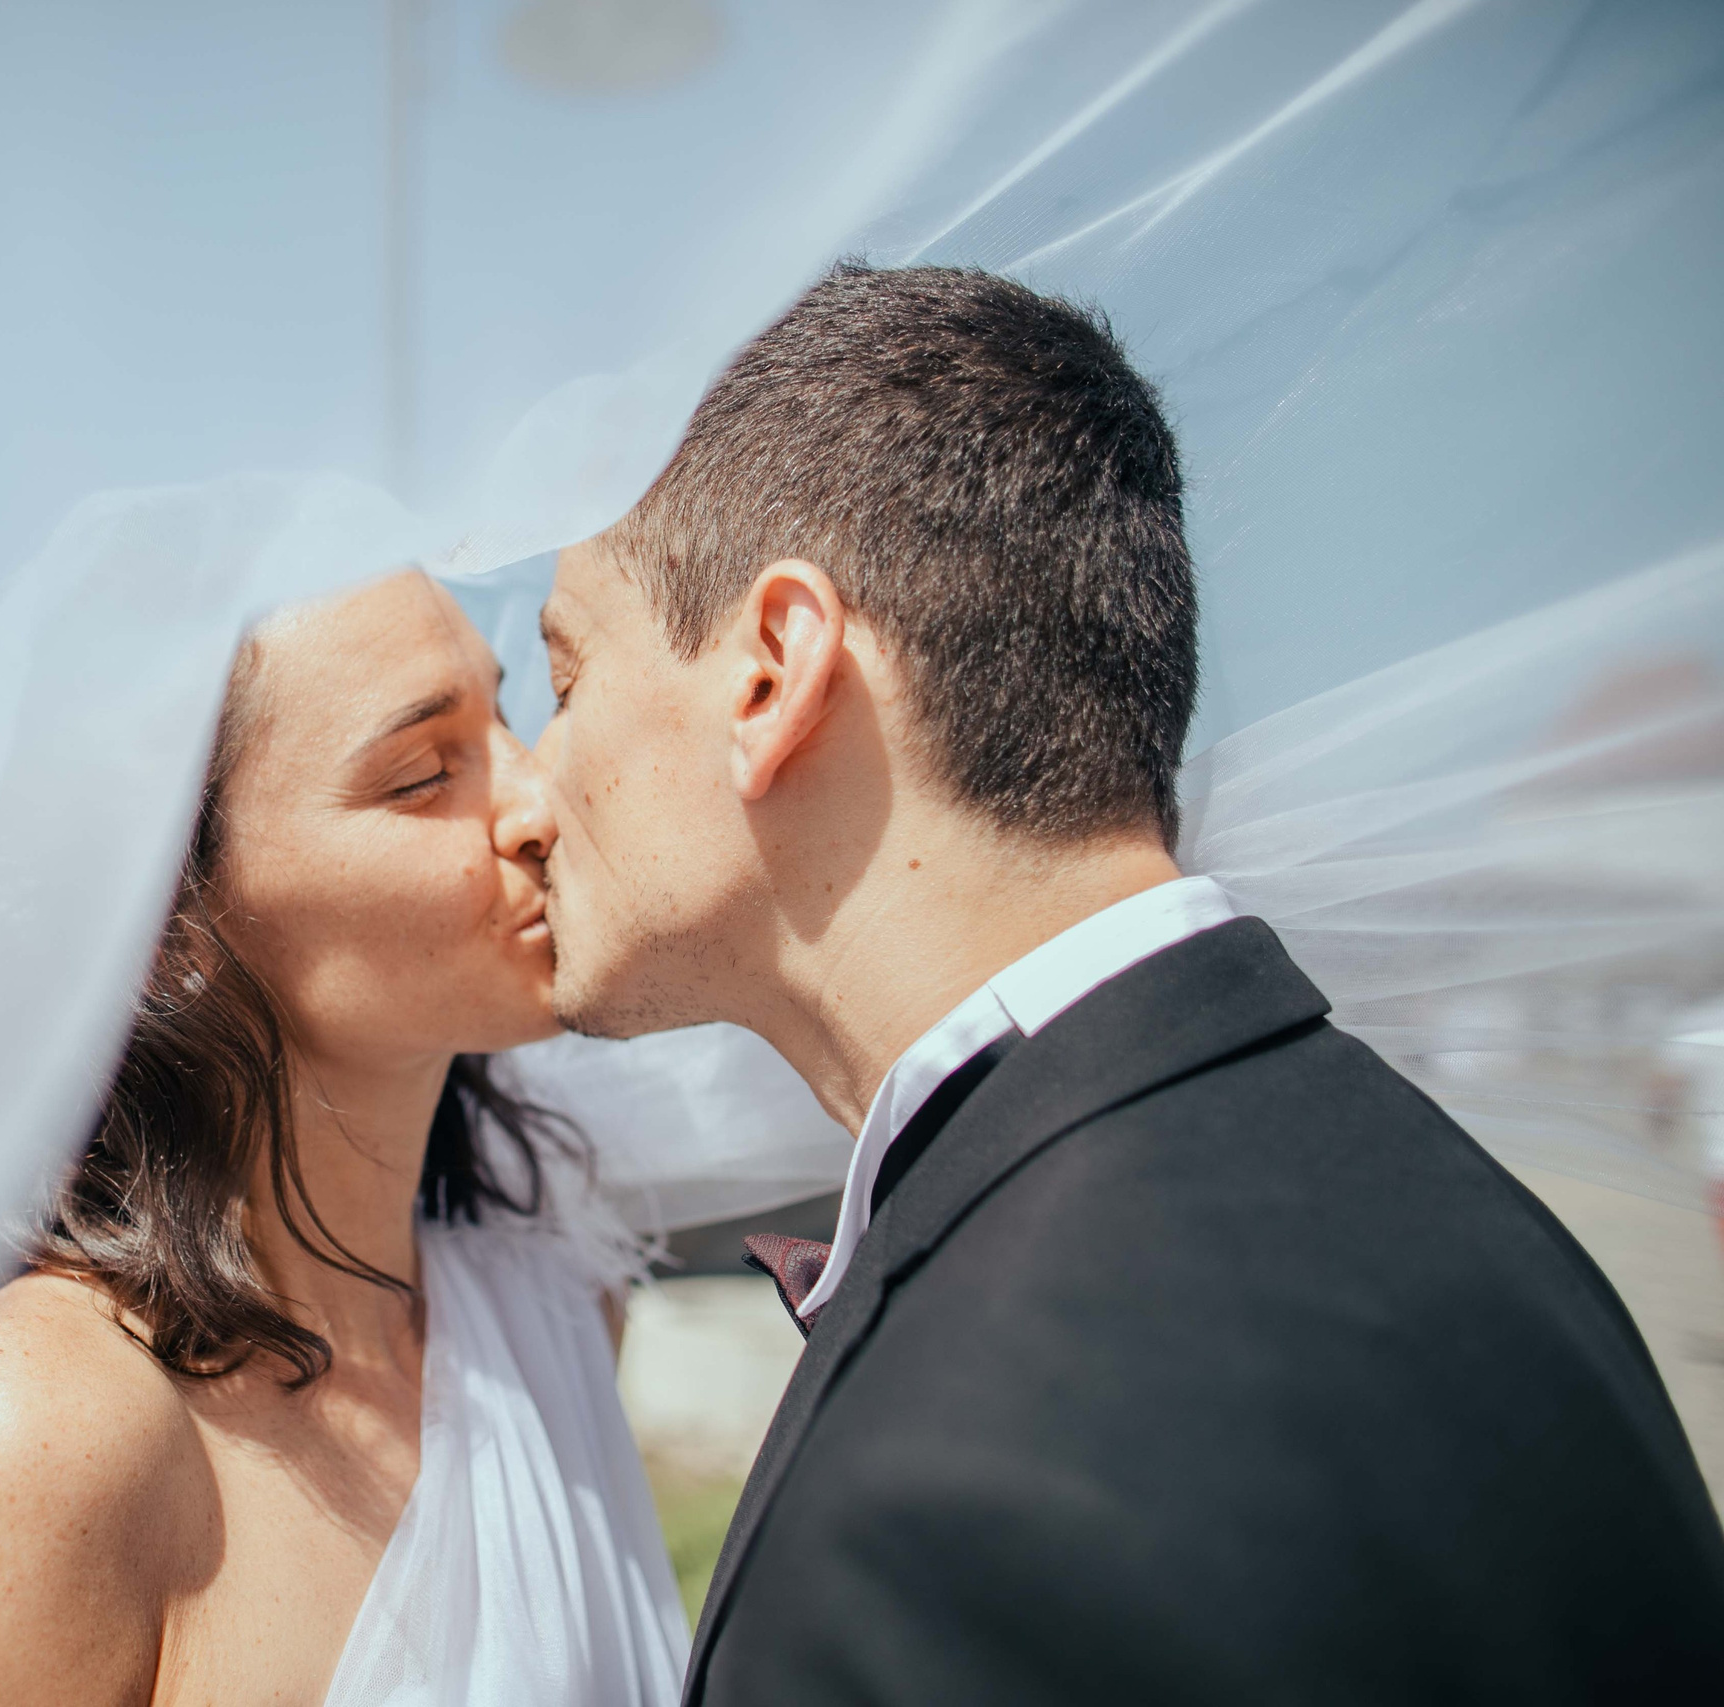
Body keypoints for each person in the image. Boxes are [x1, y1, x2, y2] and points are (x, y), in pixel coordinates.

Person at [533, 264, 1724, 1703]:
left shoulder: (943, 1511)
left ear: (773, 671)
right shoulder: (1491, 1227)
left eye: (564, 673)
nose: (530, 791)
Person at [0, 570, 686, 1706]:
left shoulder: (562, 1313)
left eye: (506, 714)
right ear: (163, 927)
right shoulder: (26, 1438)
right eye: (421, 774)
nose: (538, 801)